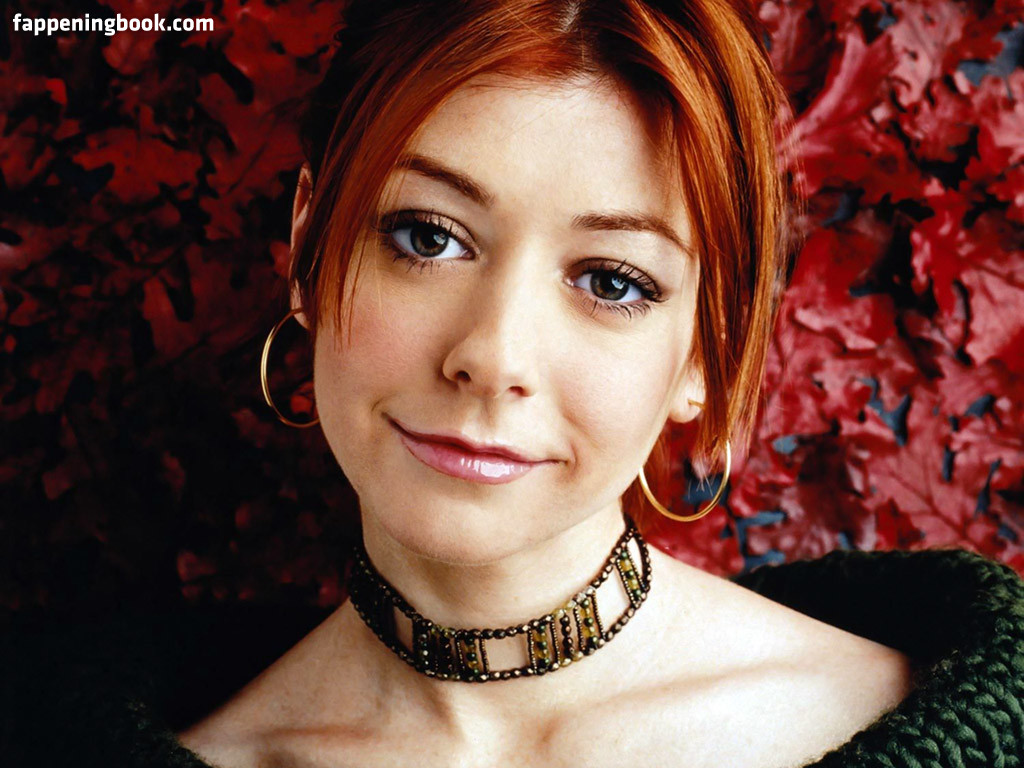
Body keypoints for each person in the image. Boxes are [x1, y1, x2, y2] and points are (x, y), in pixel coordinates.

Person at [5, 1, 1024, 766]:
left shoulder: (934, 723)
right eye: (427, 237)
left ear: (705, 357)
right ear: (310, 243)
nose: (491, 355)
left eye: (612, 281)